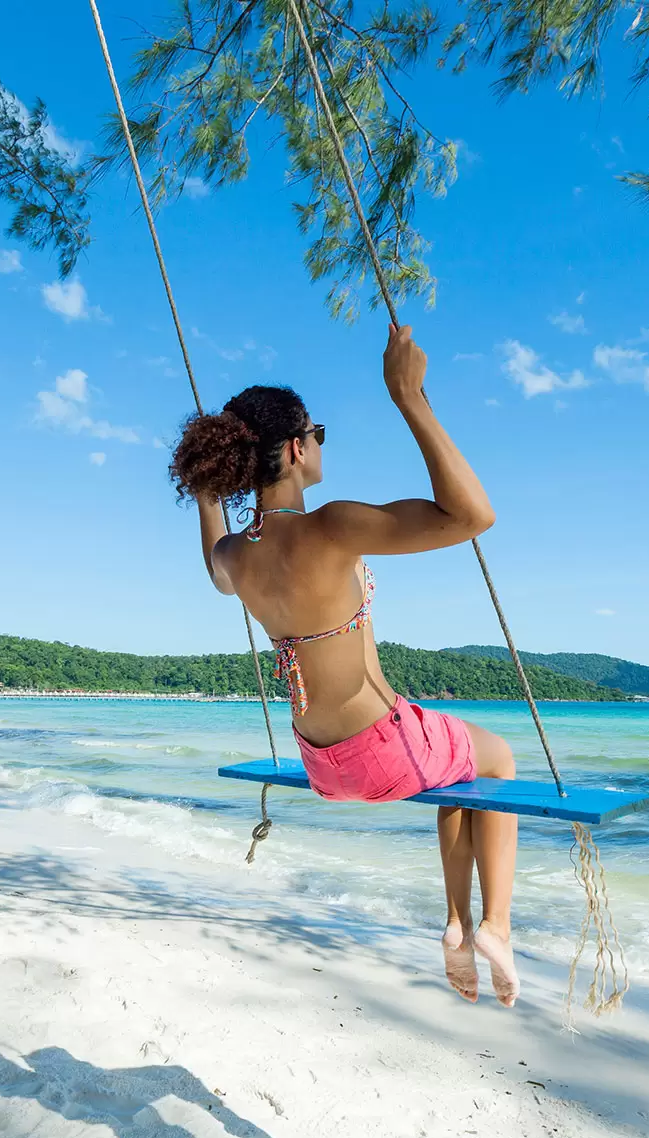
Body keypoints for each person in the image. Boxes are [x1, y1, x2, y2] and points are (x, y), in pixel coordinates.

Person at [168, 324, 522, 1007]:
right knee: (498, 756)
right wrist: (408, 396)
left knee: (455, 760)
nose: (323, 442)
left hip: (323, 764)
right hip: (379, 752)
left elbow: (214, 562)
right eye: (319, 432)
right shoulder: (330, 527)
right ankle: (495, 926)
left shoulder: (238, 559)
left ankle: (455, 926)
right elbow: (473, 515)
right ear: (298, 448)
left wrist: (208, 489)